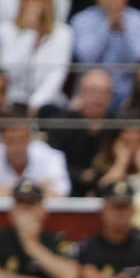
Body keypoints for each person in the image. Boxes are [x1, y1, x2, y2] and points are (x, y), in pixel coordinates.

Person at [0, 178, 80, 278]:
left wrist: (30, 243)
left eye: (30, 205)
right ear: (12, 211)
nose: (25, 210)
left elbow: (70, 277)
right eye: (20, 204)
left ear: (42, 211)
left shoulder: (56, 240)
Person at [0, 0, 72, 111]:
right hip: (13, 100)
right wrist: (28, 34)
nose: (34, 3)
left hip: (48, 103)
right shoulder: (6, 30)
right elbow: (8, 72)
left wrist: (35, 104)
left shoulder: (63, 33)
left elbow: (57, 75)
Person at [42, 67, 116, 196]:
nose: (98, 98)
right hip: (68, 192)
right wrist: (81, 175)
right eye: (93, 91)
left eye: (104, 92)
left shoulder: (116, 127)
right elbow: (49, 164)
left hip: (108, 193)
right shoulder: (63, 124)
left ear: (110, 97)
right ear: (81, 93)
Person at [0, 111, 71, 196]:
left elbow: (61, 191)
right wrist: (29, 191)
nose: (17, 146)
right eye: (11, 140)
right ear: (2, 140)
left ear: (30, 138)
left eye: (21, 139)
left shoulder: (50, 156)